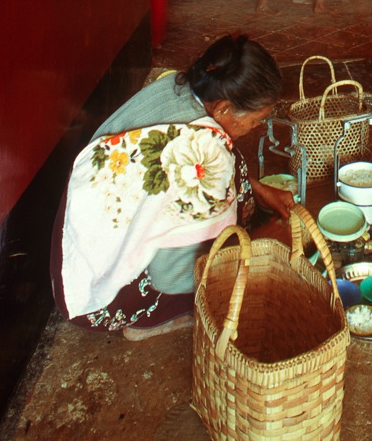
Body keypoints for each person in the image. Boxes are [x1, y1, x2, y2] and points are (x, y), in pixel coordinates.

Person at [51, 34, 295, 340]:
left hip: (73, 246)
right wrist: (260, 243)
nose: (258, 126)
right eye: (257, 119)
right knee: (222, 279)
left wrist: (258, 189)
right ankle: (150, 319)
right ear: (221, 110)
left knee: (232, 163)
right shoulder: (206, 151)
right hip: (95, 293)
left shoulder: (180, 84)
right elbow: (171, 277)